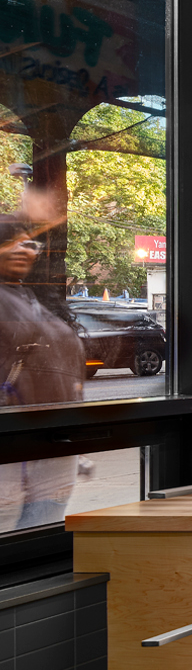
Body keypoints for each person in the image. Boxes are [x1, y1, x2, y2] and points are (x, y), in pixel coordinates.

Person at [0, 220, 83, 532]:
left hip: (53, 437)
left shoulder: (35, 299)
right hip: (13, 439)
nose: (24, 249)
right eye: (12, 242)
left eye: (29, 243)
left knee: (41, 531)